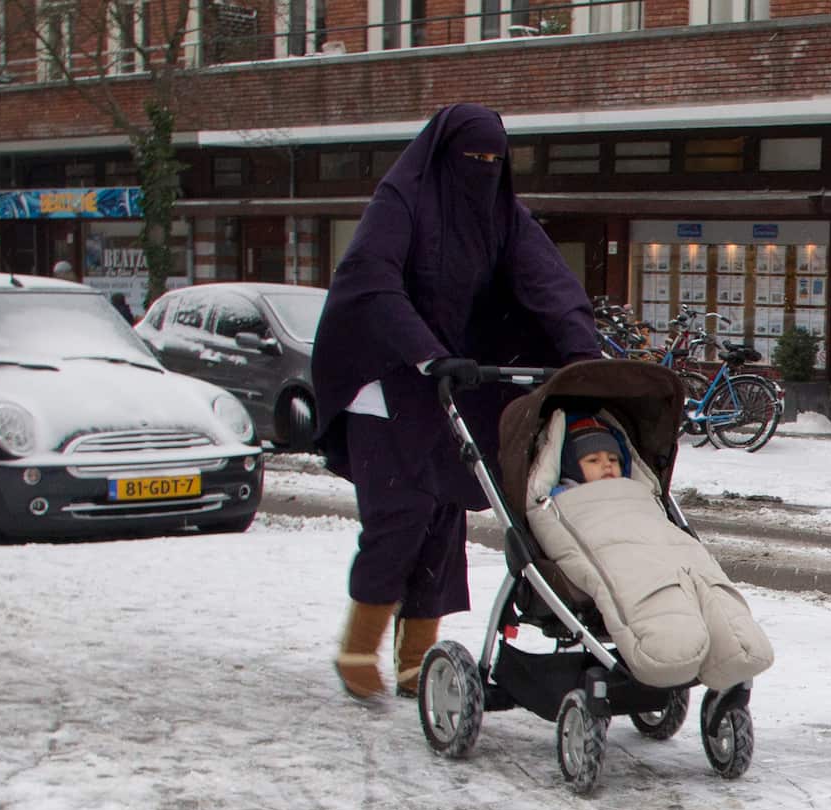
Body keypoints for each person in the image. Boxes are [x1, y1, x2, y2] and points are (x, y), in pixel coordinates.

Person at [311, 103, 601, 703]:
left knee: (443, 519)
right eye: (473, 160)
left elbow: (548, 282)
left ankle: (418, 660)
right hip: (385, 381)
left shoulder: (502, 214)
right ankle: (357, 648)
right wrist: (426, 352)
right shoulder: (400, 203)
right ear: (444, 157)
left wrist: (582, 353)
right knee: (400, 517)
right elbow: (372, 281)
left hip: (449, 384)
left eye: (495, 162)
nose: (483, 170)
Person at [530, 412, 774, 691]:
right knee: (642, 584)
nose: (607, 467)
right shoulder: (560, 498)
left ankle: (734, 643)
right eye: (593, 461)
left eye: (613, 460)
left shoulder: (636, 491)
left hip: (649, 529)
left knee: (698, 575)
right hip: (603, 534)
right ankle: (672, 646)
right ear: (570, 467)